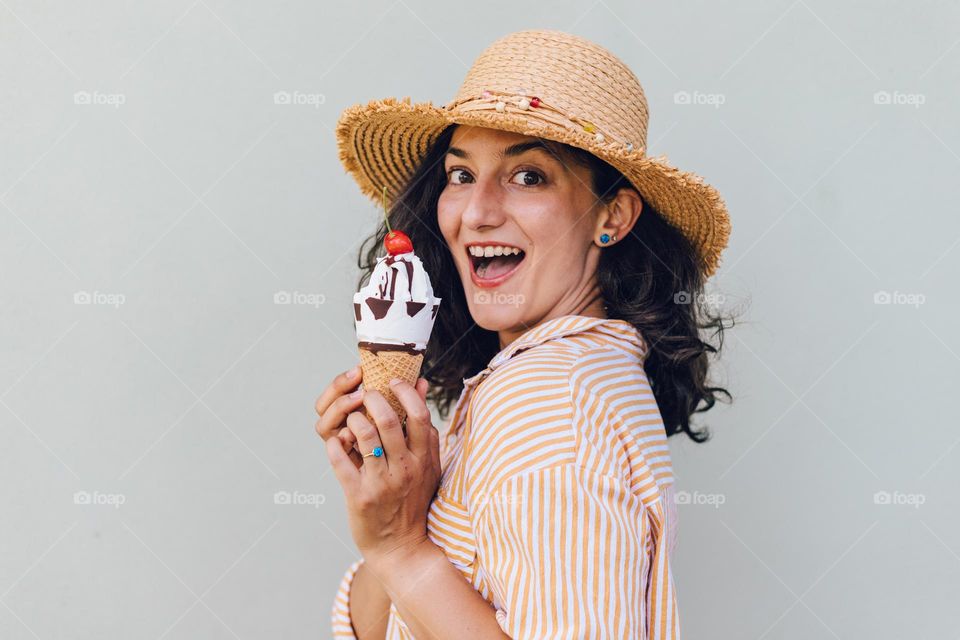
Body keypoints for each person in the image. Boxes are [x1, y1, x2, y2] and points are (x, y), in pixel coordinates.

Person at [316, 28, 733, 639]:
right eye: (460, 175)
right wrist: (399, 510)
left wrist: (404, 549)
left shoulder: (551, 399)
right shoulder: (538, 382)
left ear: (611, 216)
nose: (477, 211)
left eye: (528, 176)